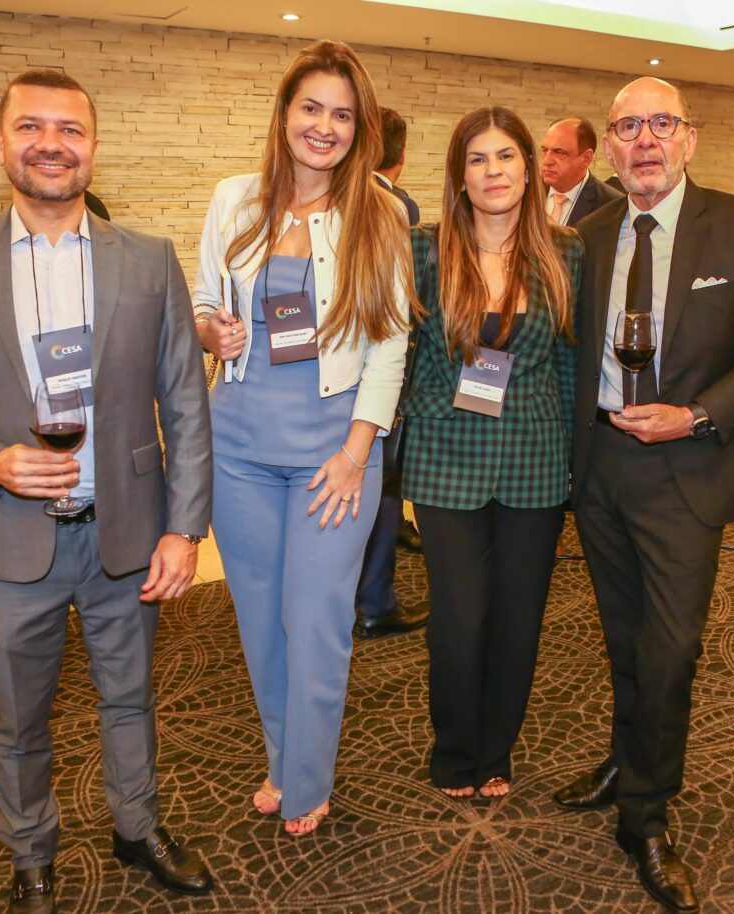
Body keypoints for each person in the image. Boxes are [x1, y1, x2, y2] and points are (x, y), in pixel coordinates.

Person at [0, 70, 214, 913]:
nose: (51, 144)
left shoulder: (149, 259)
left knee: (131, 700)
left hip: (127, 534)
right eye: (30, 126)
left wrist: (184, 528)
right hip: (5, 537)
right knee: (18, 718)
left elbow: (184, 400)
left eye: (69, 129)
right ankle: (30, 854)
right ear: (1, 140)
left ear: (93, 146)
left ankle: (137, 828)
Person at [556, 77, 734, 913]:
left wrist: (695, 415)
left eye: (660, 123)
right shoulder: (587, 237)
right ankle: (629, 759)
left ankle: (646, 816)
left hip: (687, 470)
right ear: (609, 145)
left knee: (669, 651)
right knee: (623, 640)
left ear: (688, 138)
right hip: (600, 467)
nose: (644, 140)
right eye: (627, 126)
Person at [191, 40, 414, 835]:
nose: (324, 126)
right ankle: (284, 757)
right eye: (310, 107)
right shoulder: (233, 199)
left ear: (360, 129)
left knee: (315, 617)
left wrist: (357, 453)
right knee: (260, 618)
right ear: (284, 113)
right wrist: (210, 331)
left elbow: (390, 345)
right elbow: (203, 302)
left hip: (333, 453)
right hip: (239, 446)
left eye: (341, 115)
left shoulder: (379, 213)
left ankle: (309, 778)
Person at [402, 106, 581, 800]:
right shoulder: (424, 248)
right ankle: (454, 751)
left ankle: (496, 750)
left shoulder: (565, 252)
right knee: (458, 616)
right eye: (477, 159)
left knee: (517, 618)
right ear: (459, 175)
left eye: (505, 156)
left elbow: (567, 363)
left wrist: (578, 464)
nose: (493, 171)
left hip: (535, 461)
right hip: (446, 459)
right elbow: (402, 352)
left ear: (530, 169)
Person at [355, 106, 429, 639]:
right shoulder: (398, 206)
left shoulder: (329, 197)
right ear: (400, 156)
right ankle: (375, 602)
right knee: (380, 486)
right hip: (383, 370)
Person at [540, 117, 622, 225]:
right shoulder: (526, 191)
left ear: (586, 158)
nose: (546, 161)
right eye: (545, 150)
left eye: (559, 152)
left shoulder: (613, 206)